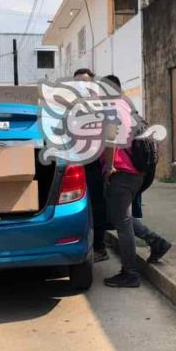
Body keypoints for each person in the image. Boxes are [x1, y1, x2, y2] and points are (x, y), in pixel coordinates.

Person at [102, 75, 172, 288]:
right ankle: (156, 241)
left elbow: (110, 139)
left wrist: (109, 166)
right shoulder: (126, 105)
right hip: (137, 172)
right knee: (120, 217)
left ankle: (130, 273)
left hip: (122, 173)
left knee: (121, 223)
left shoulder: (111, 108)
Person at [73, 68, 113, 262]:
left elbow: (109, 139)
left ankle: (99, 247)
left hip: (94, 165)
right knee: (77, 208)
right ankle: (82, 245)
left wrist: (110, 166)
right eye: (78, 83)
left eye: (85, 82)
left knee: (97, 206)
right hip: (74, 165)